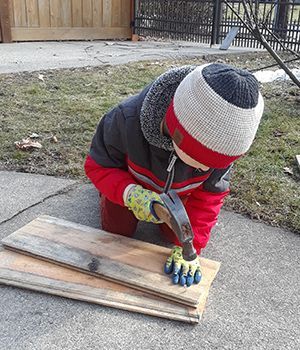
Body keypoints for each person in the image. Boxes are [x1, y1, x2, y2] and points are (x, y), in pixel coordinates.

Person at [84, 63, 264, 287]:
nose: (206, 169)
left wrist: (192, 247)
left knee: (172, 237)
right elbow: (98, 166)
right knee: (117, 231)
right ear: (177, 133)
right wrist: (129, 193)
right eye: (201, 161)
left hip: (180, 194)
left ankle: (169, 218)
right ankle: (116, 198)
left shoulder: (222, 144)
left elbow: (209, 197)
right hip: (130, 182)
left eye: (213, 164)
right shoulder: (124, 119)